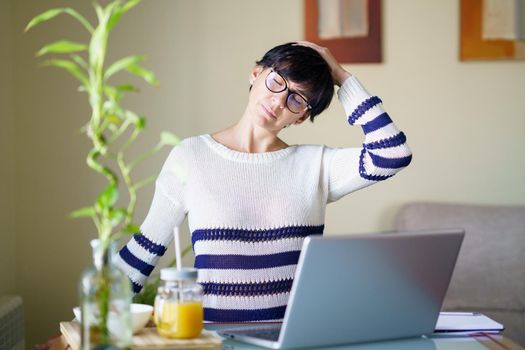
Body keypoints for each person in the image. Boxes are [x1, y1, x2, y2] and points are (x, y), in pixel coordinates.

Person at [116, 41, 412, 323]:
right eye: (277, 81)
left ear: (300, 118)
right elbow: (143, 251)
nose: (279, 100)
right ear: (256, 73)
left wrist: (342, 77)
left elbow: (392, 153)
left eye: (296, 99)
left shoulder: (316, 166)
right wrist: (86, 327)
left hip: (294, 338)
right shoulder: (190, 156)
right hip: (214, 340)